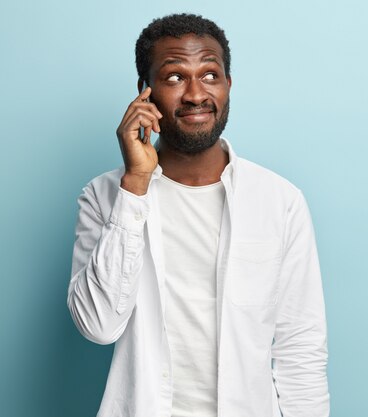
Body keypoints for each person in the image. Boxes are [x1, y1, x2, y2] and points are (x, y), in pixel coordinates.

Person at [67, 13, 329, 417]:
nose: (194, 94)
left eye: (210, 74)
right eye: (174, 77)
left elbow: (301, 347)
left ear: (228, 85)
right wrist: (136, 184)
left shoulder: (279, 201)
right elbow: (98, 326)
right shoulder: (105, 197)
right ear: (145, 93)